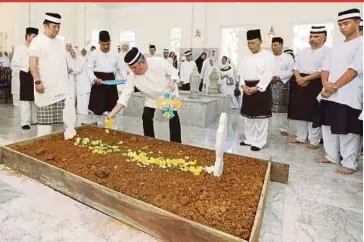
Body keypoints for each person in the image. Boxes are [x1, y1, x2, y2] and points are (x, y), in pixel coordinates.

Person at [314, 8, 363, 175]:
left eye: (346, 23)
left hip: (348, 93)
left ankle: (349, 163)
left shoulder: (361, 43)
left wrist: (333, 87)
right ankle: (331, 155)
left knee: (347, 129)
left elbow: (354, 69)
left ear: (358, 22)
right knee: (328, 126)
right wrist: (325, 84)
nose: (342, 27)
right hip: (329, 92)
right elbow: (325, 67)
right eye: (340, 24)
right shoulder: (337, 46)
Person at [107, 47, 182, 143]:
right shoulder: (132, 76)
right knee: (146, 115)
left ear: (142, 63)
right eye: (130, 68)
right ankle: (149, 140)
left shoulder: (158, 63)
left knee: (172, 117)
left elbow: (174, 72)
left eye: (134, 67)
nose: (132, 70)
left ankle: (176, 144)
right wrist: (113, 113)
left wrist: (173, 82)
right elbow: (125, 95)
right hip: (151, 97)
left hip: (166, 94)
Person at [28, 12, 76, 139]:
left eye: (58, 27)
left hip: (61, 89)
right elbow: (33, 63)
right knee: (45, 127)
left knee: (62, 123)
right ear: (45, 26)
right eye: (53, 26)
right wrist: (37, 81)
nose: (56, 30)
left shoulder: (61, 41)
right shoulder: (37, 41)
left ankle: (60, 151)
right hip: (46, 89)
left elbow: (60, 59)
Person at [288, 25, 331, 150]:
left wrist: (305, 79)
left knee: (313, 113)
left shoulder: (328, 51)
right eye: (311, 36)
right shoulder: (303, 51)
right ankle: (300, 137)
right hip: (300, 82)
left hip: (316, 83)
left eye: (316, 36)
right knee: (300, 111)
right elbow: (295, 67)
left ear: (325, 38)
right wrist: (298, 78)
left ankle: (314, 141)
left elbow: (324, 70)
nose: (313, 39)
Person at [239, 29, 274, 151]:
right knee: (248, 116)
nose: (251, 46)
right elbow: (241, 72)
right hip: (247, 87)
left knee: (260, 117)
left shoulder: (268, 55)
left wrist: (257, 88)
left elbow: (268, 73)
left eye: (253, 43)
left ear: (260, 41)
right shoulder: (245, 56)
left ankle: (259, 142)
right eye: (249, 43)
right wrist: (243, 85)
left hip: (261, 88)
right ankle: (249, 139)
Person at [87, 30, 127, 125]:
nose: (106, 46)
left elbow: (122, 69)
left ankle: (111, 129)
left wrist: (127, 80)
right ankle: (96, 130)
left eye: (108, 44)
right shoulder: (94, 54)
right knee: (96, 111)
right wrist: (95, 79)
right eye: (103, 44)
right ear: (99, 43)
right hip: (98, 83)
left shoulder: (115, 54)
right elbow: (88, 69)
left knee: (111, 109)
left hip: (111, 83)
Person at [12, 27, 39, 129]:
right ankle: (25, 122)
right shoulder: (19, 48)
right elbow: (14, 62)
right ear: (27, 36)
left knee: (35, 98)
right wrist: (27, 66)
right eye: (33, 36)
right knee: (25, 99)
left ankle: (34, 120)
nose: (35, 39)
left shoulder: (37, 49)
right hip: (25, 74)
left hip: (35, 74)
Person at [271, 37, 294, 136]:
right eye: (272, 45)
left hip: (283, 84)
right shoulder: (269, 57)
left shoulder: (288, 57)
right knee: (269, 106)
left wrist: (279, 77)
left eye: (275, 45)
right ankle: (270, 126)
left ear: (281, 45)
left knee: (282, 107)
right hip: (270, 84)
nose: (273, 47)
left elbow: (292, 70)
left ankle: (283, 128)